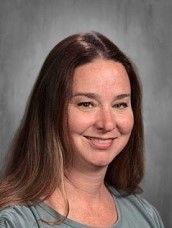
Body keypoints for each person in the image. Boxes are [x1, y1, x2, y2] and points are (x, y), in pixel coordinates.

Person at [0, 32, 164, 228]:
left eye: (119, 105)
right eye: (87, 104)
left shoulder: (146, 217)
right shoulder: (13, 221)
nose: (107, 124)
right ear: (50, 111)